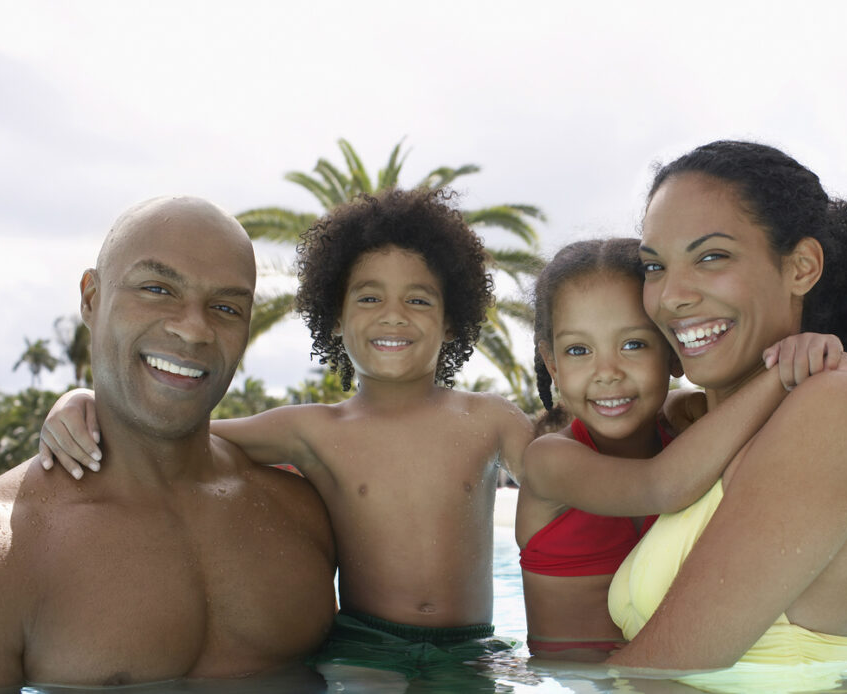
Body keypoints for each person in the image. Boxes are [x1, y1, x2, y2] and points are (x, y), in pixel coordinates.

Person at [34, 189, 534, 683]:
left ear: (451, 323)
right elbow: (186, 434)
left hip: (470, 647)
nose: (393, 314)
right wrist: (84, 401)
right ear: (335, 320)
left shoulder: (490, 420)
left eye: (418, 300)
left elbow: (559, 473)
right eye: (369, 298)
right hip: (366, 645)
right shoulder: (313, 430)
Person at [604, 141, 847, 692]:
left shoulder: (833, 404)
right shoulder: (700, 430)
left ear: (801, 268)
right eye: (655, 266)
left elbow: (662, 665)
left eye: (711, 257)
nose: (671, 296)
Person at [0, 197, 337, 689]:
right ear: (91, 299)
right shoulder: (12, 549)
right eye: (157, 289)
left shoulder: (301, 511)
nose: (194, 329)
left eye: (226, 307)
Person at [517, 238, 847, 662]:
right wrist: (781, 375)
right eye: (578, 351)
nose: (607, 373)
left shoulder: (687, 430)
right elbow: (660, 486)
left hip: (667, 676)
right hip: (569, 683)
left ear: (674, 352)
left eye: (634, 344)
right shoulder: (549, 461)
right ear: (552, 364)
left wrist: (804, 352)